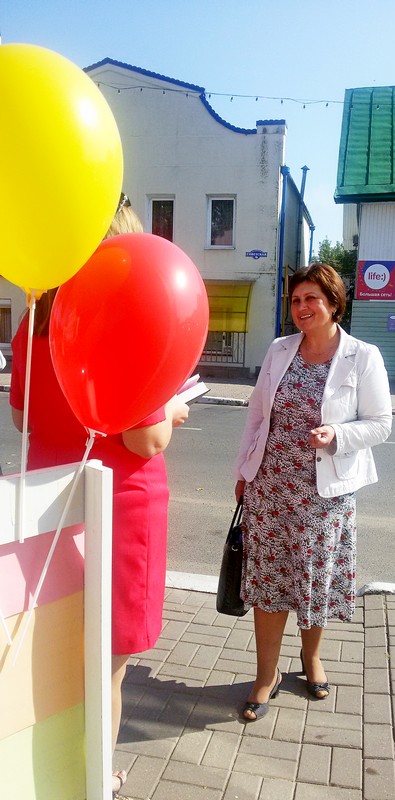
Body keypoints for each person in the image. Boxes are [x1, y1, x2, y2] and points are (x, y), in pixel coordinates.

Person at [10, 194, 190, 795]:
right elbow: (146, 438)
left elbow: (22, 418)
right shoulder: (124, 315)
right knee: (106, 669)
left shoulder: (35, 318)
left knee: (59, 656)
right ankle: (96, 780)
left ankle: (56, 768)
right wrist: (173, 408)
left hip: (52, 507)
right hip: (119, 509)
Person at [234, 262, 392, 721]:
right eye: (296, 300)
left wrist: (338, 434)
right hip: (270, 488)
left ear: (333, 303)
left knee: (313, 582)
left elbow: (381, 424)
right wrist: (243, 470)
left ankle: (311, 657)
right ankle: (266, 675)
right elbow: (257, 415)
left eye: (312, 299)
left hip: (324, 497)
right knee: (269, 584)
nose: (302, 307)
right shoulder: (280, 349)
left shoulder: (363, 356)